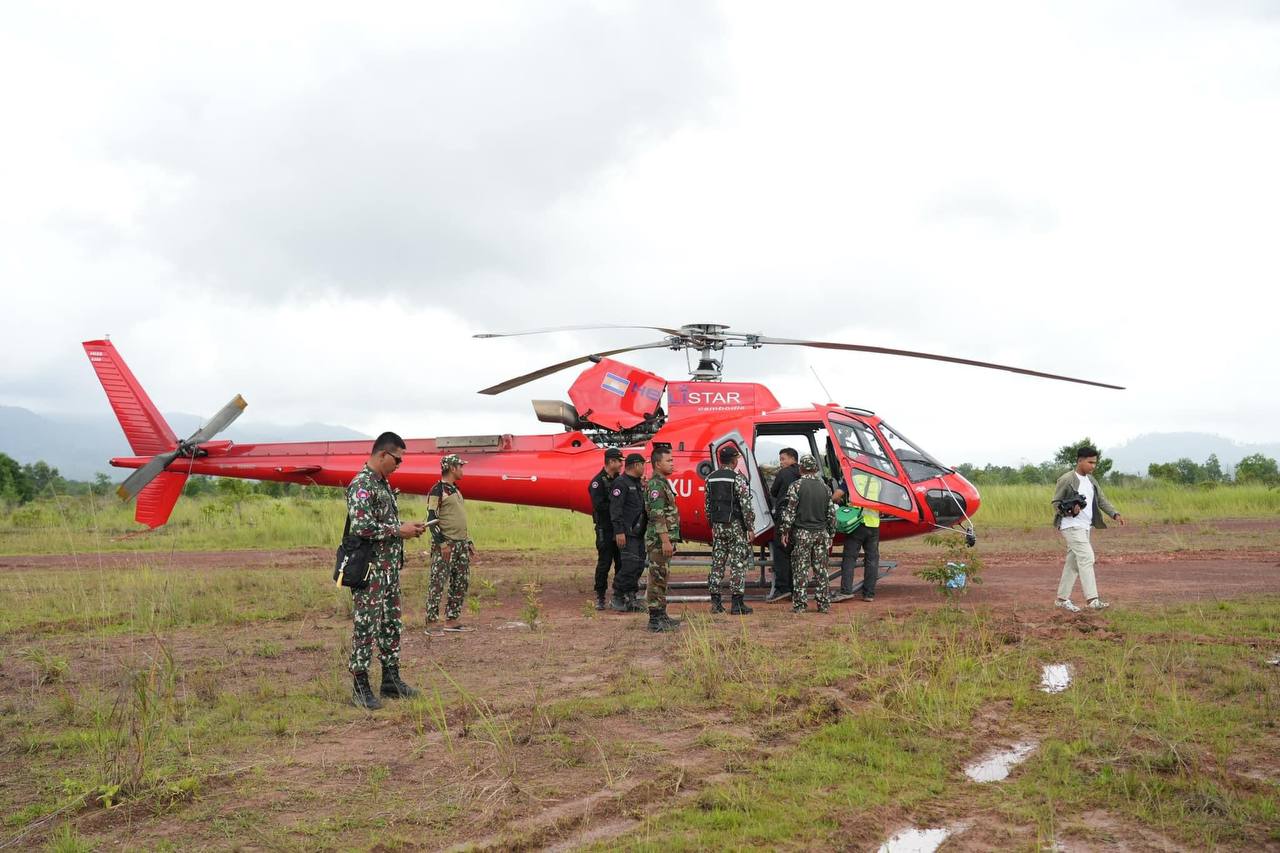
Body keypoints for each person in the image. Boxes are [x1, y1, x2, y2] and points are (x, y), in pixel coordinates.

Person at [346, 432, 426, 710]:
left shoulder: (383, 484)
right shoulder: (362, 485)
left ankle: (390, 680)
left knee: (391, 624)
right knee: (366, 627)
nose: (399, 465)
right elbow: (362, 527)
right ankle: (360, 686)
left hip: (388, 569)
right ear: (383, 454)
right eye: (398, 460)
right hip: (370, 571)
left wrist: (406, 528)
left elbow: (384, 524)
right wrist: (398, 530)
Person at [1053, 445, 1125, 612]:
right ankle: (1093, 600)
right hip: (1071, 525)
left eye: (1095, 463)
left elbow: (1101, 500)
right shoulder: (1067, 479)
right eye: (1090, 462)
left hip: (1085, 527)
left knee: (1073, 564)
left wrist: (1114, 514)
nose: (1093, 466)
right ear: (1080, 461)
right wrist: (1070, 510)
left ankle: (1061, 600)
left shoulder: (1091, 480)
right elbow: (1056, 503)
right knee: (1087, 557)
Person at [779, 454, 836, 613]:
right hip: (821, 534)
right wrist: (831, 534)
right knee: (821, 571)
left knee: (800, 570)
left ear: (801, 469)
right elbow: (831, 514)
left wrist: (785, 531)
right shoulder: (825, 488)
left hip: (802, 534)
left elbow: (790, 512)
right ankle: (823, 605)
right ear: (816, 469)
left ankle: (800, 605)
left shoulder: (796, 486)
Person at [426, 453, 476, 632]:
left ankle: (452, 620)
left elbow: (459, 518)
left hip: (460, 544)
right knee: (438, 582)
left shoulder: (455, 489)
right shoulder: (437, 490)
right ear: (452, 468)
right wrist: (442, 544)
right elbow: (431, 519)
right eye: (460, 466)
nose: (462, 470)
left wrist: (468, 541)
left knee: (460, 582)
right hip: (446, 545)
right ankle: (431, 622)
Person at [705, 445, 757, 614]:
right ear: (734, 461)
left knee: (717, 563)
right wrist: (750, 527)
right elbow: (745, 505)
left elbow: (707, 505)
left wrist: (712, 525)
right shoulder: (737, 479)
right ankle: (737, 604)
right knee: (737, 564)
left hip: (718, 526)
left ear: (721, 460)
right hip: (735, 526)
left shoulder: (710, 478)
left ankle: (716, 603)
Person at [643, 446, 682, 632]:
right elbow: (657, 516)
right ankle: (654, 620)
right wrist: (666, 541)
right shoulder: (656, 486)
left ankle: (661, 614)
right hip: (658, 541)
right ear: (658, 464)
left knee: (662, 577)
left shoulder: (663, 483)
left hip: (663, 539)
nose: (672, 463)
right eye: (669, 460)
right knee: (657, 578)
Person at [608, 453, 649, 613]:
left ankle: (631, 597)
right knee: (630, 565)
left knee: (638, 565)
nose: (644, 468)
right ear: (636, 465)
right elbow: (615, 509)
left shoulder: (637, 483)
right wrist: (619, 532)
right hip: (626, 533)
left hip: (638, 532)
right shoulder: (621, 483)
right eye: (643, 464)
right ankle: (617, 596)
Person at [833, 470, 882, 601]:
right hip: (873, 524)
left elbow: (836, 495)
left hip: (856, 523)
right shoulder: (878, 481)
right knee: (872, 560)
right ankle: (869, 594)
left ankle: (846, 591)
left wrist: (840, 502)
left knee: (849, 558)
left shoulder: (852, 478)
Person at [589, 448, 625, 610]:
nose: (621, 465)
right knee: (604, 563)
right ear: (611, 462)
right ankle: (600, 595)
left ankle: (619, 594)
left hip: (618, 528)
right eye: (619, 462)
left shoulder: (619, 480)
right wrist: (616, 506)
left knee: (621, 562)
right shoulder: (597, 482)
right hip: (605, 528)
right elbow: (599, 506)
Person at [767, 448, 801, 600]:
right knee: (796, 552)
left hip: (784, 516)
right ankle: (795, 587)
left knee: (781, 551)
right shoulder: (803, 473)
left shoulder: (783, 473)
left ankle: (782, 588)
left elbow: (774, 492)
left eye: (783, 459)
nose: (781, 462)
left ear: (793, 459)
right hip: (800, 517)